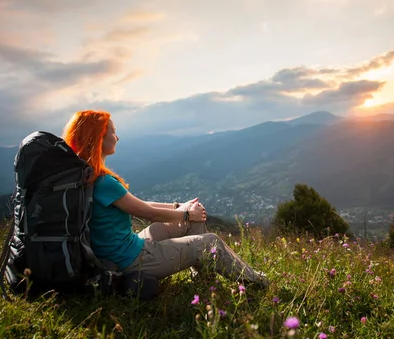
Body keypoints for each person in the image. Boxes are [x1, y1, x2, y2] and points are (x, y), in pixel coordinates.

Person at [62, 110, 269, 287]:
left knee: (191, 217)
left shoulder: (87, 175)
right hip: (129, 260)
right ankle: (257, 282)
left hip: (120, 251)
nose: (117, 137)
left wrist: (180, 207)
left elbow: (140, 204)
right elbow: (148, 213)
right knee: (210, 242)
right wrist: (187, 214)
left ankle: (205, 280)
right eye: (113, 132)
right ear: (99, 137)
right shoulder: (103, 181)